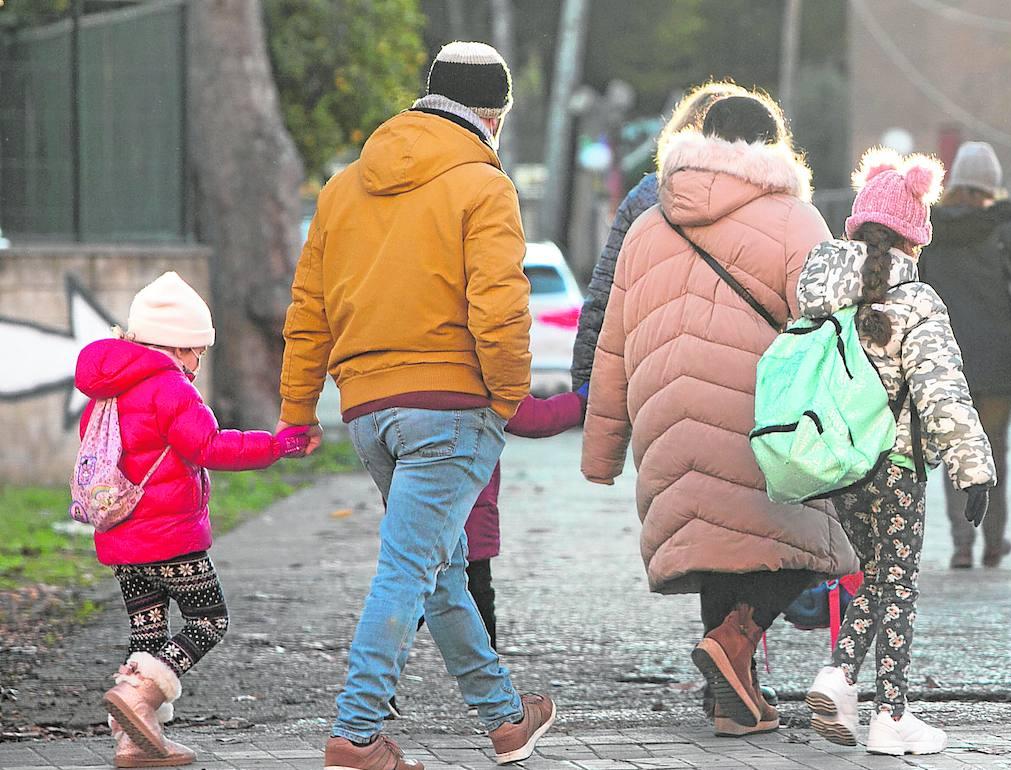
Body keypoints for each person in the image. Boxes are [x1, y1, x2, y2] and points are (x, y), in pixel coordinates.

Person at [278, 42, 554, 770]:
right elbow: (499, 307)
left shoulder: (340, 190)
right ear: (493, 116)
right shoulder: (482, 184)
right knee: (408, 568)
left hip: (368, 410)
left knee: (439, 569)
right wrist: (505, 398)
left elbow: (308, 311)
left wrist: (297, 411)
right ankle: (357, 733)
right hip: (451, 405)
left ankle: (504, 718)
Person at [581, 93, 857, 739]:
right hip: (753, 408)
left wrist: (602, 452)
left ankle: (730, 702)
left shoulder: (650, 223)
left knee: (717, 543)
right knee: (809, 543)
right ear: (771, 147)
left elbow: (613, 343)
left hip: (664, 418)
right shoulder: (794, 218)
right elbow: (827, 330)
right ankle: (735, 641)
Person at [799, 148, 996, 756]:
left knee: (878, 576)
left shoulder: (822, 295)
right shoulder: (918, 303)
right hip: (898, 466)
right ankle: (861, 695)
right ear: (916, 236)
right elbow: (943, 391)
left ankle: (889, 707)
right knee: (897, 582)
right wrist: (974, 471)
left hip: (838, 465)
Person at [75, 272, 310, 768]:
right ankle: (141, 700)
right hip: (171, 538)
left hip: (121, 536)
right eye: (195, 351)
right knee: (208, 620)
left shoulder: (107, 390)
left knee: (148, 638)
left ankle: (134, 741)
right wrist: (275, 446)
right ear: (175, 346)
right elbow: (207, 446)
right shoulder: (169, 388)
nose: (197, 362)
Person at [389, 390, 585, 719]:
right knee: (474, 595)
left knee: (411, 595)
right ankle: (486, 695)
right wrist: (582, 399)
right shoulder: (478, 375)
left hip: (415, 509)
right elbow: (533, 417)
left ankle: (377, 689)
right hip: (469, 510)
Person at [920, 141, 1011, 569]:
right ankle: (994, 541)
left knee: (954, 448)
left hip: (947, 355)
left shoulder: (931, 227)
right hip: (999, 356)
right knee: (994, 448)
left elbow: (917, 287)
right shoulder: (1004, 226)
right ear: (992, 184)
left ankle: (963, 544)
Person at [571, 80, 748, 392]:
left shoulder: (647, 196)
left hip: (658, 376)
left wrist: (586, 386)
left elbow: (604, 297)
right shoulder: (772, 199)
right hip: (747, 379)